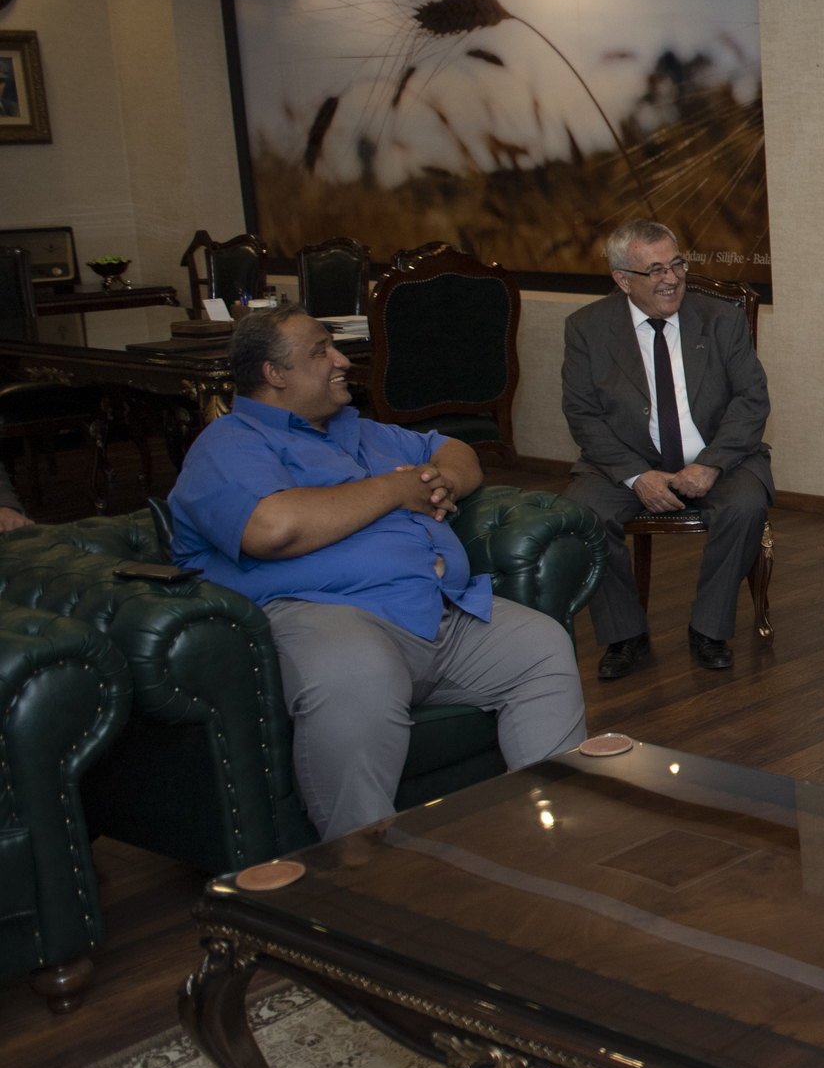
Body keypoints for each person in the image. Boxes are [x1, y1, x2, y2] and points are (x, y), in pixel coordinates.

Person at [168, 301, 586, 840]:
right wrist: (396, 489)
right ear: (274, 373)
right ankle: (362, 864)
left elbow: (455, 450)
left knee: (541, 647)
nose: (342, 360)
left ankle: (550, 836)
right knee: (357, 673)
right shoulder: (230, 443)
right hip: (327, 614)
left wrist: (444, 482)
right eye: (321, 352)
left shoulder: (362, 431)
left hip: (440, 610)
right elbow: (271, 529)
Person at [561, 219, 774, 677]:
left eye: (676, 264)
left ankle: (708, 628)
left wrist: (711, 465)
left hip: (718, 457)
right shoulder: (587, 328)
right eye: (655, 270)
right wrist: (637, 476)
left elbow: (752, 400)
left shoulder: (721, 318)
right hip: (626, 462)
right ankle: (625, 635)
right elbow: (582, 415)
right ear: (623, 280)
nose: (672, 279)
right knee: (583, 512)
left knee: (746, 504)